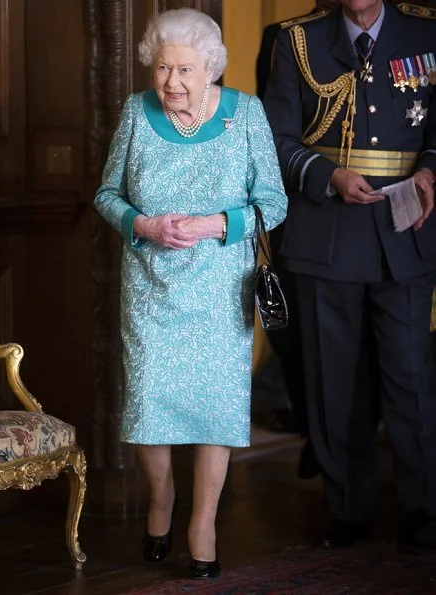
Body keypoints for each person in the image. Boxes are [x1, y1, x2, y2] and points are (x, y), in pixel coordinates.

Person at [94, 8, 287, 579]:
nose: (170, 83)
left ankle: (202, 522)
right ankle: (161, 498)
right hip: (151, 286)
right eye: (160, 69)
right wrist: (145, 226)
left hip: (220, 288)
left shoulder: (246, 113)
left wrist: (213, 225)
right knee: (149, 403)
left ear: (212, 68)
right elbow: (107, 195)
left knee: (214, 410)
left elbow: (273, 202)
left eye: (183, 70)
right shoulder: (136, 111)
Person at [264, 0, 436, 553]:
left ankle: (425, 508)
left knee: (411, 376)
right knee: (334, 378)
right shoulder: (294, 40)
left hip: (407, 226)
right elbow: (278, 140)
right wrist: (328, 174)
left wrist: (431, 167)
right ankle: (346, 508)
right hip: (327, 229)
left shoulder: (426, 29)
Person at [254, 0, 341, 479]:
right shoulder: (284, 37)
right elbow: (274, 133)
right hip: (295, 207)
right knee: (293, 331)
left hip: (369, 212)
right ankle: (313, 432)